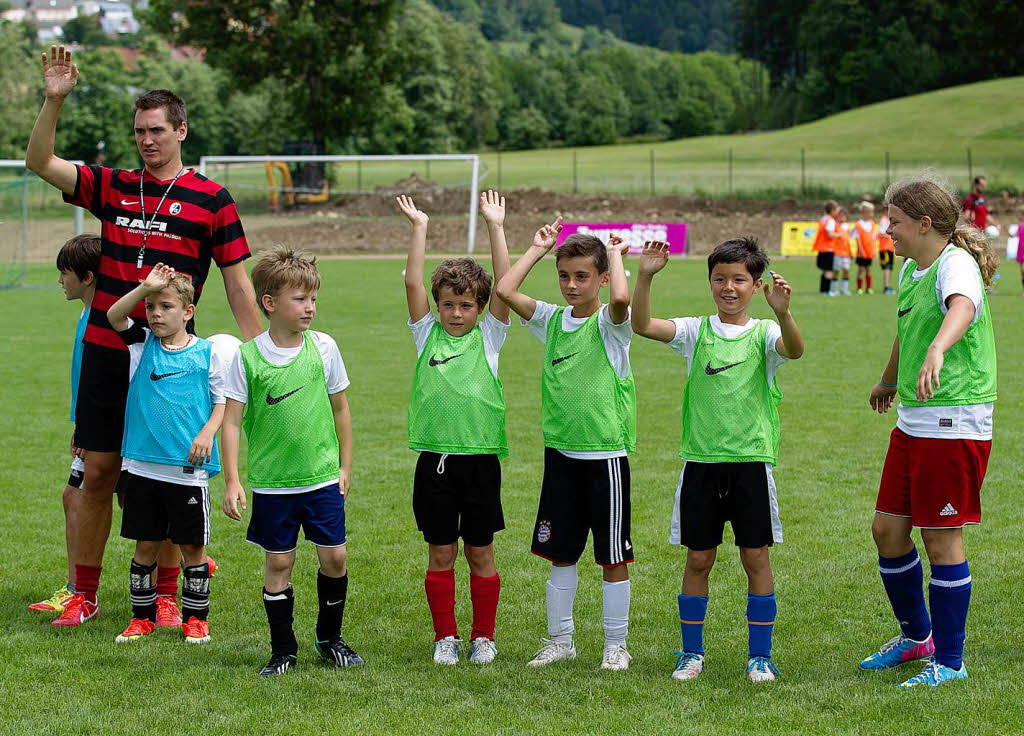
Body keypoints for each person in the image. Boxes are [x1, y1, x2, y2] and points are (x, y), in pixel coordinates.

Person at [25, 46, 262, 627]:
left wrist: (264, 356)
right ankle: (83, 594)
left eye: (157, 130)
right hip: (108, 356)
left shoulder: (212, 199)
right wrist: (54, 101)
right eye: (139, 132)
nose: (147, 141)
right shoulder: (113, 186)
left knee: (164, 474)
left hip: (172, 360)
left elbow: (236, 286)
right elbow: (40, 161)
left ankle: (162, 592)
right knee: (100, 473)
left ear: (182, 130)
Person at [631, 238, 803, 684]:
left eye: (739, 280)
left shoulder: (765, 333)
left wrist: (783, 311)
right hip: (701, 466)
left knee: (756, 559)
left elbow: (795, 350)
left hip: (750, 463)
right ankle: (691, 653)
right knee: (698, 560)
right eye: (720, 279)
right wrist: (646, 275)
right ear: (710, 281)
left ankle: (760, 658)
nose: (729, 287)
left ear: (756, 285)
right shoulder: (695, 331)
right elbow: (643, 324)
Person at [863, 175, 997, 688]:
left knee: (942, 539)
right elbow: (906, 328)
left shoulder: (954, 263)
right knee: (888, 531)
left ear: (924, 223)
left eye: (894, 221)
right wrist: (890, 378)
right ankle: (918, 638)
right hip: (914, 421)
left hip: (954, 419)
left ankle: (951, 661)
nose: (887, 230)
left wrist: (939, 348)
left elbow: (961, 307)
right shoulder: (913, 268)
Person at [496, 222, 637, 672]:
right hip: (560, 457)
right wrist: (537, 249)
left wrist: (615, 255)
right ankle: (561, 640)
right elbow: (504, 290)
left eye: (582, 276)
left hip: (605, 459)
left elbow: (620, 300)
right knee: (560, 554)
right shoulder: (553, 320)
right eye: (564, 276)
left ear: (598, 278)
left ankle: (616, 645)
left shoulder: (613, 326)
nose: (572, 285)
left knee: (613, 558)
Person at [221, 247, 363, 677]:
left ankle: (329, 638)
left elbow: (341, 409)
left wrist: (345, 466)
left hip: (321, 478)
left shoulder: (324, 348)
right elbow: (230, 423)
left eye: (313, 298)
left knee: (334, 558)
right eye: (300, 299)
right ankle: (283, 650)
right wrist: (232, 480)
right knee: (279, 563)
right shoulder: (247, 358)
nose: (310, 307)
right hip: (273, 483)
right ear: (270, 303)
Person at [397, 191, 512, 665]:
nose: (457, 313)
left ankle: (482, 636)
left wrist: (494, 225)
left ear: (480, 306)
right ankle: (446, 635)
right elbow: (411, 281)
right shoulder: (427, 334)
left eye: (466, 305)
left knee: (480, 554)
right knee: (440, 553)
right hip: (435, 465)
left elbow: (506, 285)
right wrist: (420, 226)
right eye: (448, 304)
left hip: (481, 463)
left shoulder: (490, 336)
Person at [106, 264, 228, 644]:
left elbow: (222, 402)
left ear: (187, 312)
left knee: (192, 547)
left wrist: (208, 432)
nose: (156, 314)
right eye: (151, 307)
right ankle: (141, 618)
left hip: (186, 470)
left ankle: (196, 619)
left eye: (166, 306)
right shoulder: (143, 346)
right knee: (146, 545)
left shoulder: (208, 353)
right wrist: (146, 287)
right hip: (143, 466)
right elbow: (113, 315)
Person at [812, 200, 842, 296]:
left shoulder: (823, 219)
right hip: (828, 249)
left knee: (824, 270)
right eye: (837, 210)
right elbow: (829, 233)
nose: (838, 212)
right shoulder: (831, 221)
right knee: (829, 271)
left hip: (821, 248)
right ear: (832, 210)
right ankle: (828, 291)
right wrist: (838, 235)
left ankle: (822, 290)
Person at [851, 201, 879, 294]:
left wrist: (874, 250)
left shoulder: (872, 223)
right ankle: (859, 288)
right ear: (864, 212)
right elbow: (857, 239)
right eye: (870, 212)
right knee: (861, 269)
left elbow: (873, 238)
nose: (872, 214)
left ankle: (869, 288)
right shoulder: (858, 224)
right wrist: (861, 251)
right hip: (861, 252)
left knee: (868, 270)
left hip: (869, 252)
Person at [831, 207, 852, 295]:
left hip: (846, 253)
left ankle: (844, 289)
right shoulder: (835, 225)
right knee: (836, 271)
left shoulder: (847, 227)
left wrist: (850, 252)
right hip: (837, 252)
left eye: (844, 215)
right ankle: (834, 290)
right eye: (840, 215)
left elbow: (847, 241)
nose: (842, 217)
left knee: (846, 270)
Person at [877, 206, 896, 294]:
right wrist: (890, 237)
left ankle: (887, 286)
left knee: (889, 267)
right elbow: (881, 233)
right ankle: (886, 287)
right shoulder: (884, 220)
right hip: (885, 248)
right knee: (887, 267)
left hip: (889, 248)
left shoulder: (888, 220)